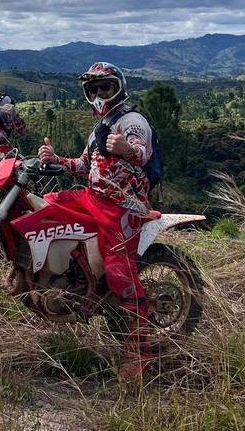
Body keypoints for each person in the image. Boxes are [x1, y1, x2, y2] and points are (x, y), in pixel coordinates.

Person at [37, 61, 155, 381]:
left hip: (123, 207)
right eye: (94, 88)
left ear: (118, 87)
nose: (101, 93)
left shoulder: (131, 121)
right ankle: (74, 276)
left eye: (106, 86)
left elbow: (143, 152)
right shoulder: (100, 125)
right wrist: (55, 160)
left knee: (120, 275)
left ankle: (140, 355)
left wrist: (128, 148)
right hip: (92, 196)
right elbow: (83, 165)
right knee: (43, 207)